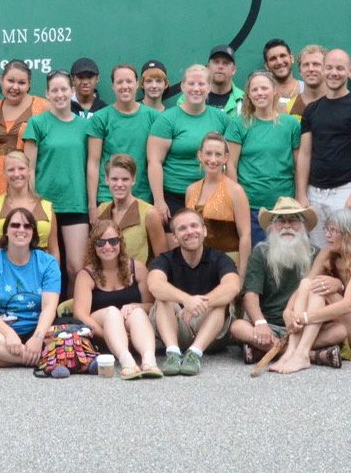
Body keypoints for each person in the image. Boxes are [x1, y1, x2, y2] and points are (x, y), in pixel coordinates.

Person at [274, 209, 351, 371]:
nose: (327, 235)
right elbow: (305, 284)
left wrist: (305, 317)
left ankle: (301, 354)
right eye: (326, 229)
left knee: (320, 287)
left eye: (333, 230)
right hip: (342, 324)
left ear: (349, 234)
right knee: (309, 283)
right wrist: (288, 310)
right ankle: (292, 351)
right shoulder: (329, 252)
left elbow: (348, 305)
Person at [296, 48, 351, 247]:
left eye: (340, 68)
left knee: (349, 252)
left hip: (346, 192)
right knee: (318, 253)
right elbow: (305, 154)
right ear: (323, 70)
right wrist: (302, 194)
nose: (334, 73)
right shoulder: (312, 110)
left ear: (350, 72)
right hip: (315, 194)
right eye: (329, 67)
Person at [146, 208, 241, 376]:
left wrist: (201, 303)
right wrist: (187, 300)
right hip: (175, 327)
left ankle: (194, 354)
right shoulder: (164, 259)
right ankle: (173, 353)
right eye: (182, 228)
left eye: (194, 226)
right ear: (174, 237)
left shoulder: (220, 258)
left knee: (221, 303)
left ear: (204, 230)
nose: (189, 232)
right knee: (162, 299)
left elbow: (232, 286)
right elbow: (154, 285)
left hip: (211, 334)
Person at [228, 198, 321, 367]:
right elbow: (250, 295)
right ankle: (311, 355)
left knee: (339, 331)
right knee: (237, 327)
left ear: (303, 226)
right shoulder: (260, 253)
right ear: (272, 226)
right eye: (280, 221)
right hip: (270, 325)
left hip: (303, 325)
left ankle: (265, 350)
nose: (287, 226)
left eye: (293, 220)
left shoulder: (316, 254)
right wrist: (260, 323)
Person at [0, 207, 62, 369]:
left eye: (27, 226)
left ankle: (5, 359)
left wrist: (38, 337)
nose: (21, 230)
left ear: (33, 232)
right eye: (15, 225)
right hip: (2, 332)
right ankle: (37, 358)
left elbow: (49, 307)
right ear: (6, 231)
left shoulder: (48, 263)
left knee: (72, 332)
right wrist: (8, 333)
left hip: (39, 329)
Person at [73, 219, 161, 379]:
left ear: (120, 243)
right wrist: (105, 333)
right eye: (101, 242)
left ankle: (149, 360)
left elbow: (152, 305)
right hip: (100, 332)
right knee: (113, 312)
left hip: (134, 330)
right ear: (94, 246)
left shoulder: (137, 268)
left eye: (113, 241)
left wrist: (136, 305)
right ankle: (127, 361)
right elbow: (80, 314)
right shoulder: (86, 275)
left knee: (137, 312)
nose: (107, 247)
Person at [23, 69, 90, 278]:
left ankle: (73, 310)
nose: (59, 94)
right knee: (45, 269)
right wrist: (32, 201)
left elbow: (91, 166)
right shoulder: (37, 123)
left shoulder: (86, 126)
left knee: (75, 268)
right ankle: (47, 310)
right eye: (54, 90)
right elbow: (28, 168)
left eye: (63, 89)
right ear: (47, 93)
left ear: (71, 91)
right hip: (44, 204)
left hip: (76, 203)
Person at [227, 70, 301, 246]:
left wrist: (299, 197)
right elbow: (231, 165)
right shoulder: (239, 124)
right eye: (255, 89)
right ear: (248, 95)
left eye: (264, 88)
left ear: (274, 91)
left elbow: (299, 165)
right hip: (251, 207)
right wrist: (237, 201)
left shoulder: (291, 124)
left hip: (285, 207)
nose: (260, 93)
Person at [148, 64, 230, 222]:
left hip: (210, 195)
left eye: (201, 84)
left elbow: (230, 159)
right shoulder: (167, 119)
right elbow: (154, 161)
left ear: (209, 87)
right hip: (173, 197)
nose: (196, 88)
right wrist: (159, 201)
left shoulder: (222, 119)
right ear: (182, 86)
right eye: (191, 83)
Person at [86, 63, 159, 214]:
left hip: (142, 196)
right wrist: (92, 205)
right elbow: (93, 162)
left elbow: (156, 161)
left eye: (129, 81)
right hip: (107, 197)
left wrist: (158, 199)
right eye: (119, 82)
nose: (124, 86)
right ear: (112, 85)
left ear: (138, 84)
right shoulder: (101, 118)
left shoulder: (154, 117)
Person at [185, 132, 252, 269]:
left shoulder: (235, 191)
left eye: (218, 154)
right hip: (197, 262)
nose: (213, 160)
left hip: (227, 262)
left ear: (226, 158)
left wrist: (242, 275)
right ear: (200, 155)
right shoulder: (191, 190)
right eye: (208, 153)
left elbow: (245, 236)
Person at [0, 149, 59, 260]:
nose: (16, 174)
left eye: (21, 169)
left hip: (38, 272)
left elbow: (54, 250)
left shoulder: (47, 208)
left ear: (29, 171)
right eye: (11, 170)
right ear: (4, 174)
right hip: (1, 272)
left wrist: (53, 277)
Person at [0, 60, 47, 201]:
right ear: (1, 80)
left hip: (25, 178)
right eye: (10, 81)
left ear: (29, 84)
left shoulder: (43, 107)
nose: (15, 87)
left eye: (22, 83)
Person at [97, 154, 167, 265]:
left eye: (125, 179)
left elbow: (162, 258)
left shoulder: (149, 213)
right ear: (106, 180)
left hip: (137, 278)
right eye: (114, 179)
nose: (119, 184)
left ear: (133, 180)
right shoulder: (101, 210)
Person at [192, 44, 244, 113]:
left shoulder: (245, 101)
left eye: (226, 63)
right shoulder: (189, 97)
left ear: (233, 70)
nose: (220, 66)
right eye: (216, 62)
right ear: (207, 68)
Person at [262, 38, 303, 115]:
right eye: (273, 59)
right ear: (266, 66)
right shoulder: (262, 94)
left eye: (283, 56)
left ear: (291, 58)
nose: (279, 62)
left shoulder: (307, 90)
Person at [285, 45, 326, 116]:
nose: (310, 69)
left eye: (316, 64)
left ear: (327, 69)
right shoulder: (288, 108)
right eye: (306, 65)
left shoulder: (339, 103)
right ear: (300, 71)